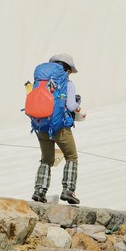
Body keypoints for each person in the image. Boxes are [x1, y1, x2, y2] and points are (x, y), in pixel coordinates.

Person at [31, 53, 82, 205]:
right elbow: (71, 106)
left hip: (42, 124)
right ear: (67, 70)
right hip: (60, 126)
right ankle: (68, 190)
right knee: (71, 156)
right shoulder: (68, 83)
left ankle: (39, 191)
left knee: (46, 159)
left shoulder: (41, 81)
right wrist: (78, 103)